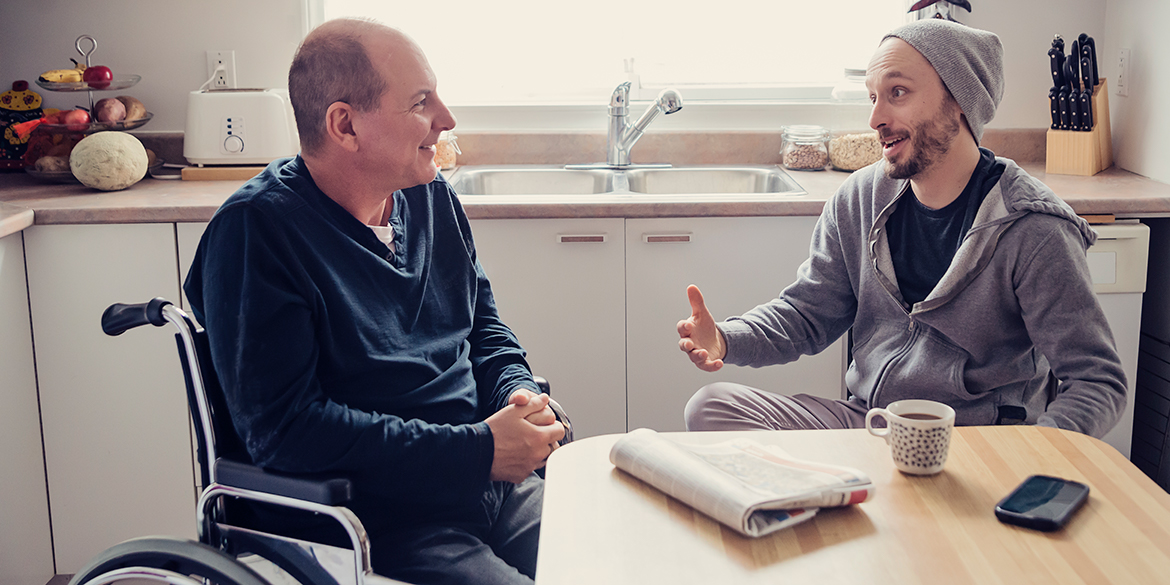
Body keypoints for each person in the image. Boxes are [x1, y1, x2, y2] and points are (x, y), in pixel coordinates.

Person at [184, 18, 564, 585]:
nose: (446, 119)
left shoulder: (430, 196)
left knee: (619, 560)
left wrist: (518, 393)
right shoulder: (256, 234)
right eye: (419, 102)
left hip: (492, 486)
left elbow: (483, 328)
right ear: (345, 125)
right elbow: (287, 431)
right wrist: (477, 451)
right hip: (381, 523)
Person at [678, 19, 1126, 436]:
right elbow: (807, 314)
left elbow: (1097, 380)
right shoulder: (858, 199)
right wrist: (724, 338)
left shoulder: (1033, 229)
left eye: (898, 92)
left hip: (974, 442)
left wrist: (1033, 460)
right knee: (710, 407)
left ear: (959, 99)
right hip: (869, 423)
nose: (875, 119)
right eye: (873, 97)